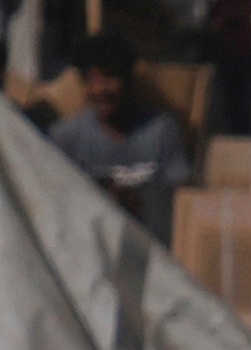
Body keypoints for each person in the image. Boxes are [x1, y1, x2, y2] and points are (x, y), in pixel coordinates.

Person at [45, 54, 188, 230]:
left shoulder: (161, 130)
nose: (99, 90)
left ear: (128, 81)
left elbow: (180, 195)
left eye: (108, 79)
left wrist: (139, 199)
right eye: (91, 80)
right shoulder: (66, 136)